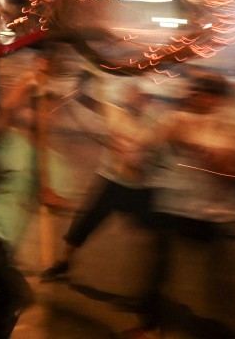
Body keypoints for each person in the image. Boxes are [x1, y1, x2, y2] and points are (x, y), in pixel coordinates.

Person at [142, 70, 235, 338]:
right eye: (199, 93)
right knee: (160, 270)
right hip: (173, 207)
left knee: (219, 277)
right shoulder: (175, 119)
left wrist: (230, 161)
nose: (203, 99)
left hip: (215, 212)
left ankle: (226, 329)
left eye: (210, 94)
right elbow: (148, 149)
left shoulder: (228, 123)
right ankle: (150, 324)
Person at [0, 56, 72, 339]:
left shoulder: (53, 162)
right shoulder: (9, 140)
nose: (45, 115)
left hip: (5, 242)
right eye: (41, 110)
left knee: (5, 295)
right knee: (16, 294)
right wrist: (32, 77)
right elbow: (6, 108)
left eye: (51, 111)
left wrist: (55, 201)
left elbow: (59, 204)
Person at [40, 77, 163, 283]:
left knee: (155, 233)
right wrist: (85, 77)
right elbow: (82, 98)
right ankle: (64, 262)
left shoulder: (154, 124)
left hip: (140, 187)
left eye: (140, 94)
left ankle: (152, 282)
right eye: (132, 92)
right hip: (110, 181)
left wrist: (137, 163)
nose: (134, 97)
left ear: (147, 98)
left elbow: (157, 159)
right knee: (85, 222)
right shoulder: (113, 111)